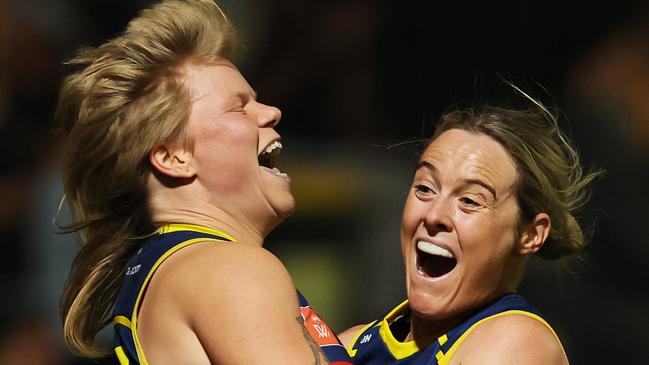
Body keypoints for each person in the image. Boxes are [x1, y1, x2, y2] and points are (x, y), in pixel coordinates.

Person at [56, 1, 351, 364]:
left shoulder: (163, 271)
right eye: (239, 107)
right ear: (173, 157)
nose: (272, 112)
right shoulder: (230, 267)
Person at [339, 91, 601, 364]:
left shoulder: (518, 343)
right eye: (425, 188)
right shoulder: (352, 344)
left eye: (469, 201)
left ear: (530, 234)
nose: (434, 215)